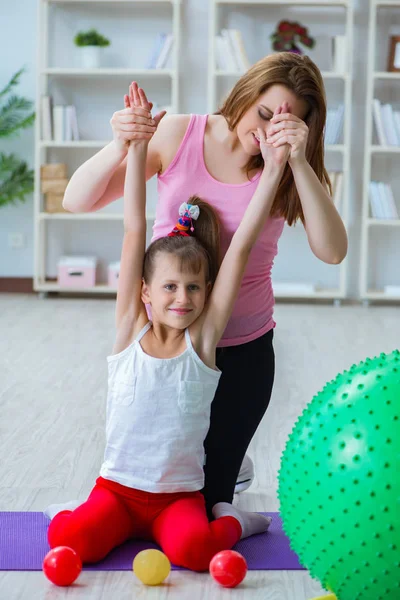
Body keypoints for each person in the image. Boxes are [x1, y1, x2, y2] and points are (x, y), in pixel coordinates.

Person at [62, 53, 348, 519]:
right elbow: (77, 200)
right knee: (148, 492)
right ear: (245, 93)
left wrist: (296, 159)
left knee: (206, 508)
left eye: (284, 124)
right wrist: (122, 142)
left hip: (240, 348)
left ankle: (228, 467)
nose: (266, 132)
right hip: (166, 344)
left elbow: (333, 251)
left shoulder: (286, 170)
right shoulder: (180, 133)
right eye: (263, 114)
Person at [45, 80, 291, 571]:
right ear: (144, 292)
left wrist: (275, 172)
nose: (184, 299)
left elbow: (239, 247)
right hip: (117, 491)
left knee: (200, 552)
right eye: (171, 289)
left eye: (196, 289)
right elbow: (135, 225)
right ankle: (80, 514)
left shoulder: (201, 341)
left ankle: (238, 519)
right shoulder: (128, 330)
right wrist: (136, 148)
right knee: (66, 534)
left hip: (177, 497)